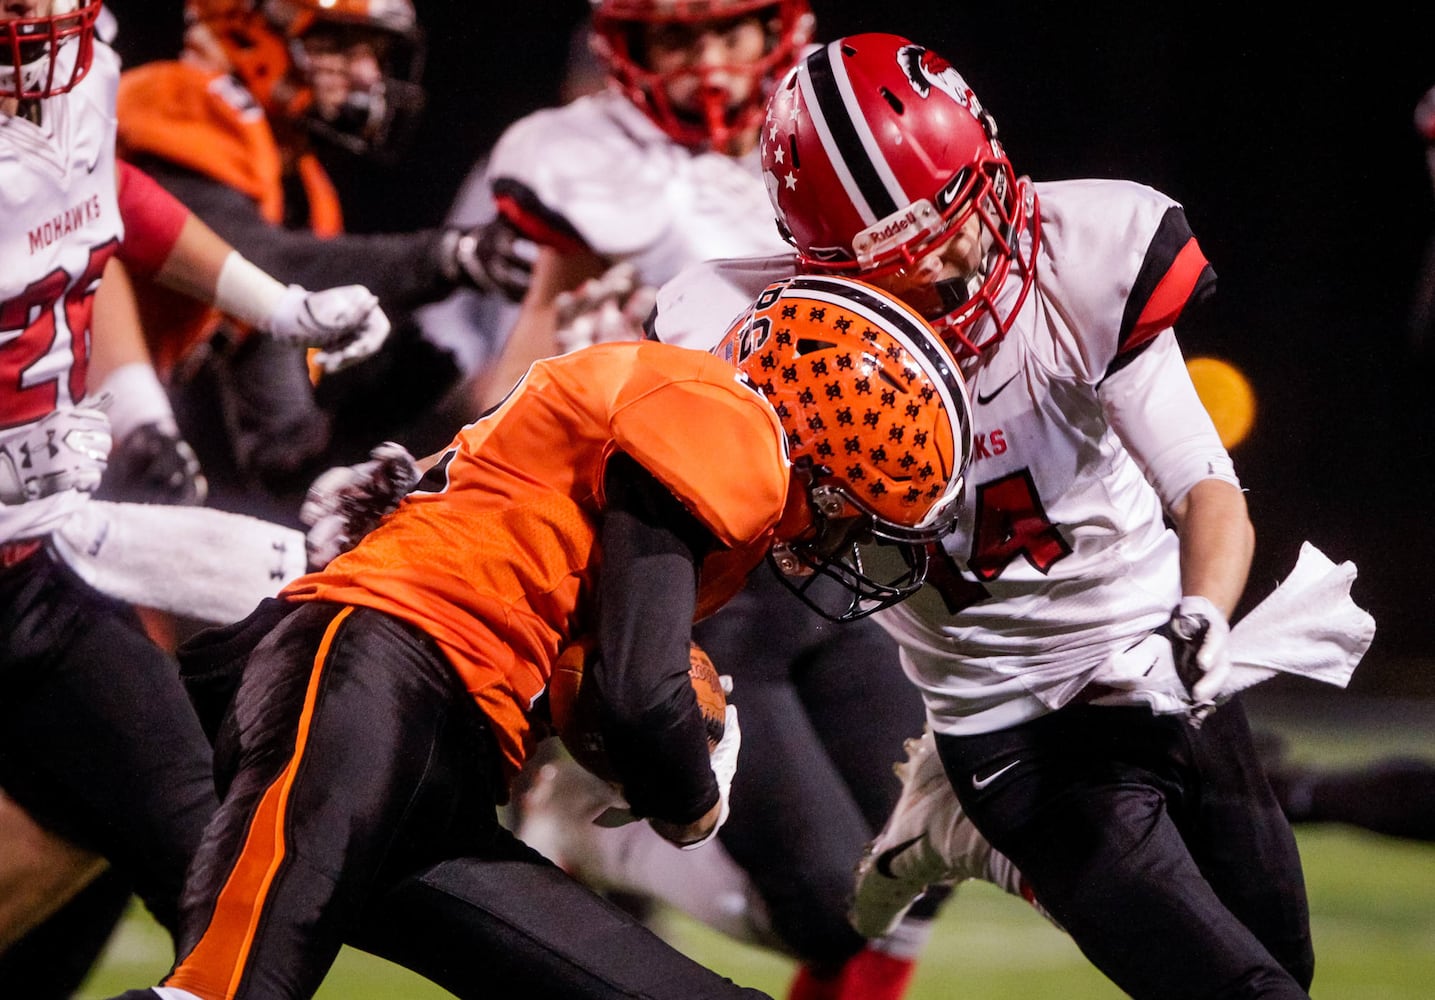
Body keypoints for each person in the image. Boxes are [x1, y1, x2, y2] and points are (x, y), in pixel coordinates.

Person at [651, 32, 1325, 998]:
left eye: (965, 205)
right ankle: (988, 834)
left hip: (1161, 665)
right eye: (915, 249)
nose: (969, 247)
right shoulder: (773, 349)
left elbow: (1201, 485)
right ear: (832, 266)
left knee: (1285, 966)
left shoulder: (1079, 259)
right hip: (1012, 727)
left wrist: (1204, 613)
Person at [101, 274, 974, 1000]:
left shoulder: (683, 441)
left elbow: (583, 660)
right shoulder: (725, 419)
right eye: (851, 508)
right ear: (823, 438)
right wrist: (690, 790)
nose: (843, 539)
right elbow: (639, 697)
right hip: (373, 678)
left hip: (441, 762)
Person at [462, 5, 956, 998]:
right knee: (823, 904)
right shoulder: (603, 172)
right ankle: (596, 844)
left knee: (930, 841)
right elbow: (504, 386)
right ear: (625, 53)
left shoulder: (834, 147)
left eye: (727, 31)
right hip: (706, 568)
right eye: (675, 40)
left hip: (831, 554)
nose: (706, 62)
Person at [0, 2, 391, 994]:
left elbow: (104, 190)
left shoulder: (74, 81)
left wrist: (277, 308)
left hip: (39, 566)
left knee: (214, 867)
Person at [112, 0, 535, 525]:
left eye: (374, 53)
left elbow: (280, 456)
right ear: (251, 34)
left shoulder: (302, 193)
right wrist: (445, 256)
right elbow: (251, 268)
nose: (366, 72)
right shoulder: (180, 99)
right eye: (339, 45)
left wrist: (406, 389)